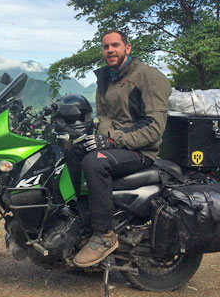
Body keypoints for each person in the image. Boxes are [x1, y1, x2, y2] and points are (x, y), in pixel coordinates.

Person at [73, 29, 171, 267]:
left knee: (94, 162)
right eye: (106, 47)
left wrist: (112, 140)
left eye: (115, 45)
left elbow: (154, 128)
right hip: (112, 144)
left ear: (127, 48)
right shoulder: (106, 77)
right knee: (71, 151)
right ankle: (78, 219)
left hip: (140, 150)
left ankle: (104, 235)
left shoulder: (148, 76)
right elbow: (105, 117)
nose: (110, 50)